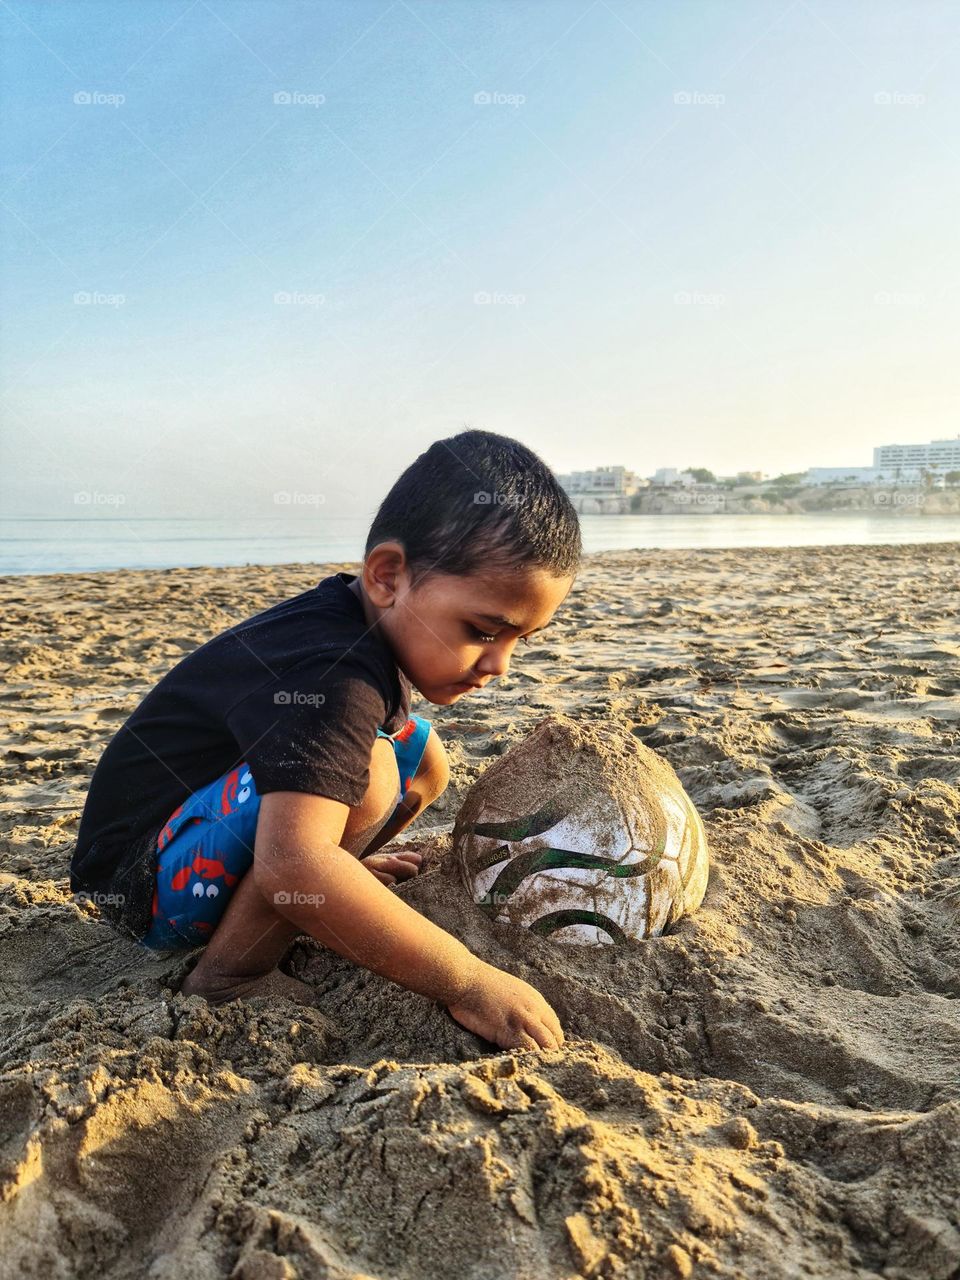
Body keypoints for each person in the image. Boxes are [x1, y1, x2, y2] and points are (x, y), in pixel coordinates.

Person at [71, 429, 581, 1051]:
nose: (497, 664)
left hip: (197, 834)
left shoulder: (361, 623)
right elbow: (291, 865)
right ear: (388, 576)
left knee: (420, 756)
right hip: (142, 883)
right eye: (481, 630)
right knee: (368, 777)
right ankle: (232, 973)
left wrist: (332, 869)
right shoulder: (329, 675)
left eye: (517, 641)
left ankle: (329, 881)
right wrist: (468, 981)